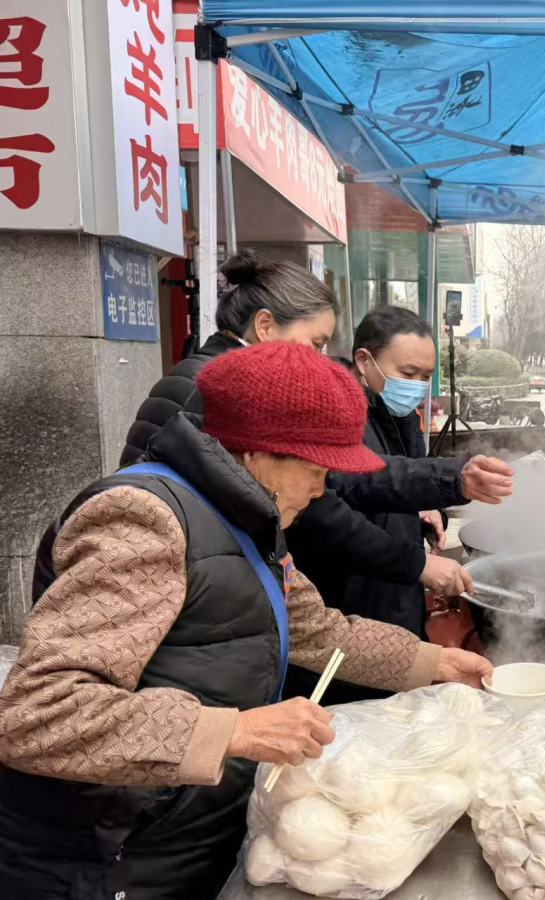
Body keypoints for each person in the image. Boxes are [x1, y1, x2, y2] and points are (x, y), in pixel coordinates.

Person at [0, 342, 493, 898]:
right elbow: (38, 712)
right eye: (314, 468)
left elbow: (317, 630)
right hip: (107, 853)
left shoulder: (248, 517)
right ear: (257, 453)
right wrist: (239, 729)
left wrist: (435, 663)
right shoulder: (145, 520)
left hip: (189, 829)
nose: (321, 488)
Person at [121, 250, 513, 602]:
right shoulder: (210, 386)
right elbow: (326, 503)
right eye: (316, 343)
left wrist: (439, 489)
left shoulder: (242, 384)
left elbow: (337, 484)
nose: (321, 360)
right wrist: (419, 549)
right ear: (266, 327)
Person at [286, 307, 461, 703]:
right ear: (365, 361)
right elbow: (356, 492)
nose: (418, 386)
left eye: (427, 377)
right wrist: (453, 483)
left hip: (398, 599)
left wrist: (429, 507)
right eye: (408, 372)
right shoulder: (337, 417)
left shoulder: (400, 418)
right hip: (350, 607)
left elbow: (407, 482)